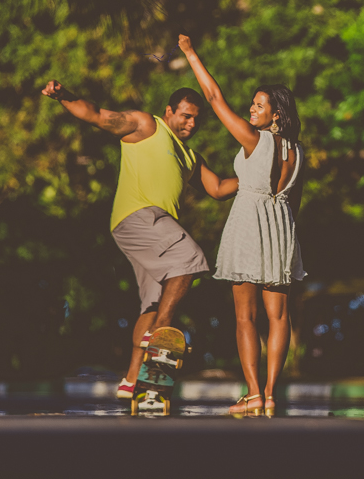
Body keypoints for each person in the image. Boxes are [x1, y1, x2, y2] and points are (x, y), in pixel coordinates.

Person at [40, 81, 237, 400]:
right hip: (139, 217)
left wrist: (256, 178)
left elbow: (217, 189)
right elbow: (98, 116)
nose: (191, 124)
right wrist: (64, 96)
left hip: (153, 230)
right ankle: (161, 335)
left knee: (154, 300)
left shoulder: (190, 156)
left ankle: (132, 379)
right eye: (185, 116)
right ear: (169, 111)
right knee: (189, 260)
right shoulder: (147, 126)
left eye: (196, 120)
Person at [177, 33, 305, 418]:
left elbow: (214, 99)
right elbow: (293, 203)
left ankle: (251, 393)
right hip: (282, 228)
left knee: (245, 316)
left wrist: (190, 52)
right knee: (279, 317)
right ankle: (269, 393)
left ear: (275, 114)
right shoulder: (298, 153)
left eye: (259, 105)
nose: (251, 110)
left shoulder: (255, 140)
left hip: (250, 224)